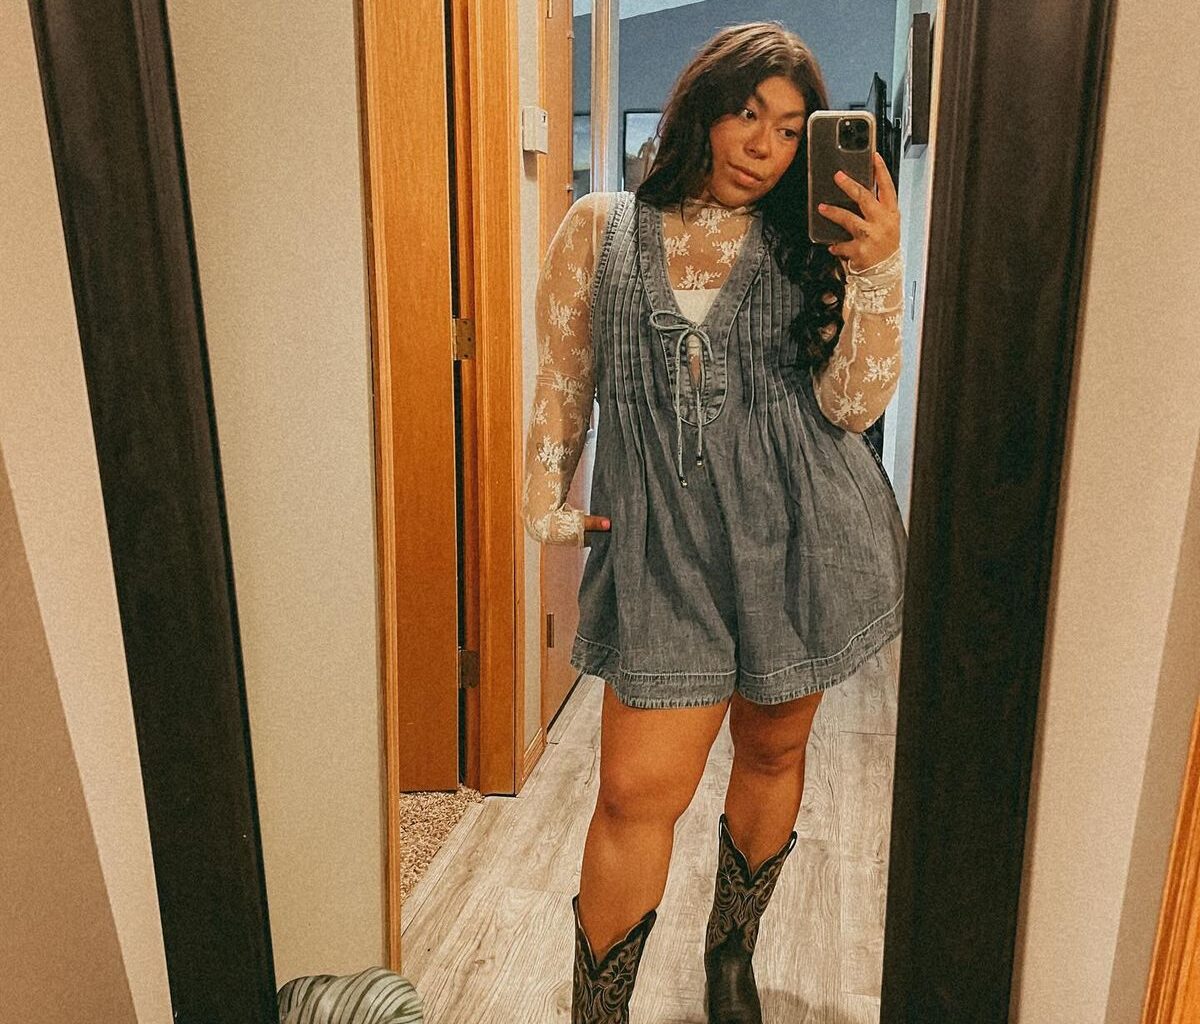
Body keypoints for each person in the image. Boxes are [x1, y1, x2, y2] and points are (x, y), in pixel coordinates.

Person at [522, 21, 906, 1024]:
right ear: (703, 104)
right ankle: (598, 1012)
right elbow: (563, 378)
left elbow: (854, 405)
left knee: (772, 755)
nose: (763, 146)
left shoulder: (812, 242)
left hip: (799, 536)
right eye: (747, 113)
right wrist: (545, 494)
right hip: (662, 547)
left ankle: (730, 955)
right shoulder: (600, 228)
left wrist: (877, 270)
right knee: (633, 792)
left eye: (788, 128)